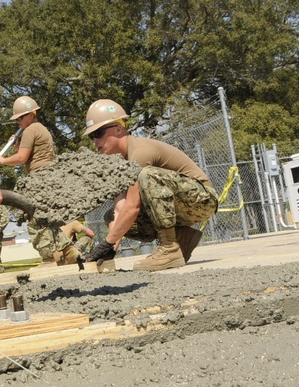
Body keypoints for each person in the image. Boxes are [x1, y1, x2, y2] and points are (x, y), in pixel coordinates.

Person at [84, 99, 218, 271]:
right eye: (91, 136)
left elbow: (132, 207)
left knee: (146, 175)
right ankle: (179, 238)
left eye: (99, 133)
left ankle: (169, 247)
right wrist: (108, 249)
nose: (94, 140)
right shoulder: (120, 163)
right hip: (181, 203)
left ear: (118, 129)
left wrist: (107, 242)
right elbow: (120, 210)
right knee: (111, 217)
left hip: (203, 199)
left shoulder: (140, 152)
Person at [0, 96, 93, 267]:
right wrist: (17, 145)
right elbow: (33, 154)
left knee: (36, 221)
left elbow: (22, 158)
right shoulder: (40, 129)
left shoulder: (31, 130)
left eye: (21, 117)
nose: (18, 121)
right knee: (47, 220)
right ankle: (68, 252)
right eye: (17, 119)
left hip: (39, 180)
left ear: (31, 114)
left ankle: (49, 259)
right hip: (48, 178)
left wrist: (2, 160)